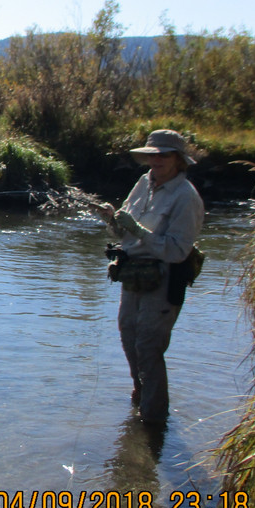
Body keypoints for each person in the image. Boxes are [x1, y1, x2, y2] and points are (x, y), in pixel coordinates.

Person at [93, 129, 205, 427]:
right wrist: (111, 219)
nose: (157, 161)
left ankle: (154, 421)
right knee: (129, 337)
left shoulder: (186, 197)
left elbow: (178, 250)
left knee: (148, 346)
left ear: (178, 160)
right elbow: (123, 231)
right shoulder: (143, 182)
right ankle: (140, 401)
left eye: (164, 155)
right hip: (133, 274)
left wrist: (139, 230)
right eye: (152, 155)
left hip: (165, 277)